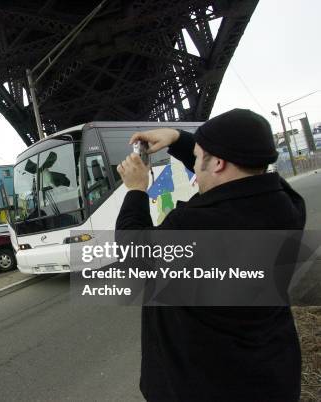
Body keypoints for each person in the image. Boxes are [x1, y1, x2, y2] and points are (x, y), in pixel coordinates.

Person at [115, 109, 305, 401]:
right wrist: (178, 139)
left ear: (217, 163)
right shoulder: (287, 204)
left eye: (197, 154)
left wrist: (136, 190)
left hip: (203, 385)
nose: (195, 163)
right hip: (270, 375)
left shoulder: (194, 227)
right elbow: (231, 173)